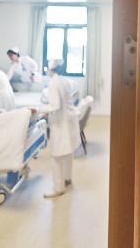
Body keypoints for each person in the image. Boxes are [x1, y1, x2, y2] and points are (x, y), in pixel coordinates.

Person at [33, 60, 81, 199]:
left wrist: (39, 109)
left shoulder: (53, 83)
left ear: (51, 69)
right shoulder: (63, 80)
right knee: (68, 153)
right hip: (69, 120)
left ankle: (59, 188)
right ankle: (67, 178)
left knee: (57, 157)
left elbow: (55, 106)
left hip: (61, 124)